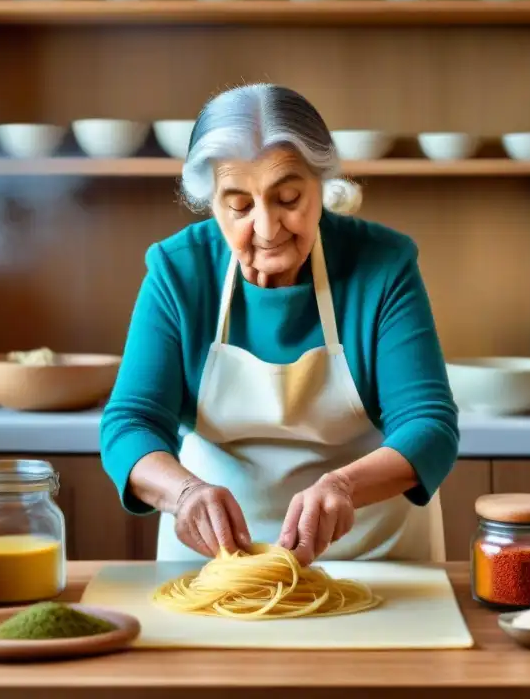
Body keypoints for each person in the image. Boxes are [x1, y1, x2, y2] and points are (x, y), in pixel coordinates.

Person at [100, 83, 459, 566]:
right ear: (211, 200)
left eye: (288, 198)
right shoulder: (178, 271)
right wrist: (183, 494)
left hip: (373, 558)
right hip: (218, 561)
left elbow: (429, 424)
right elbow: (130, 423)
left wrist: (343, 487)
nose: (267, 229)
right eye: (240, 206)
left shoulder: (383, 265)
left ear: (324, 185)